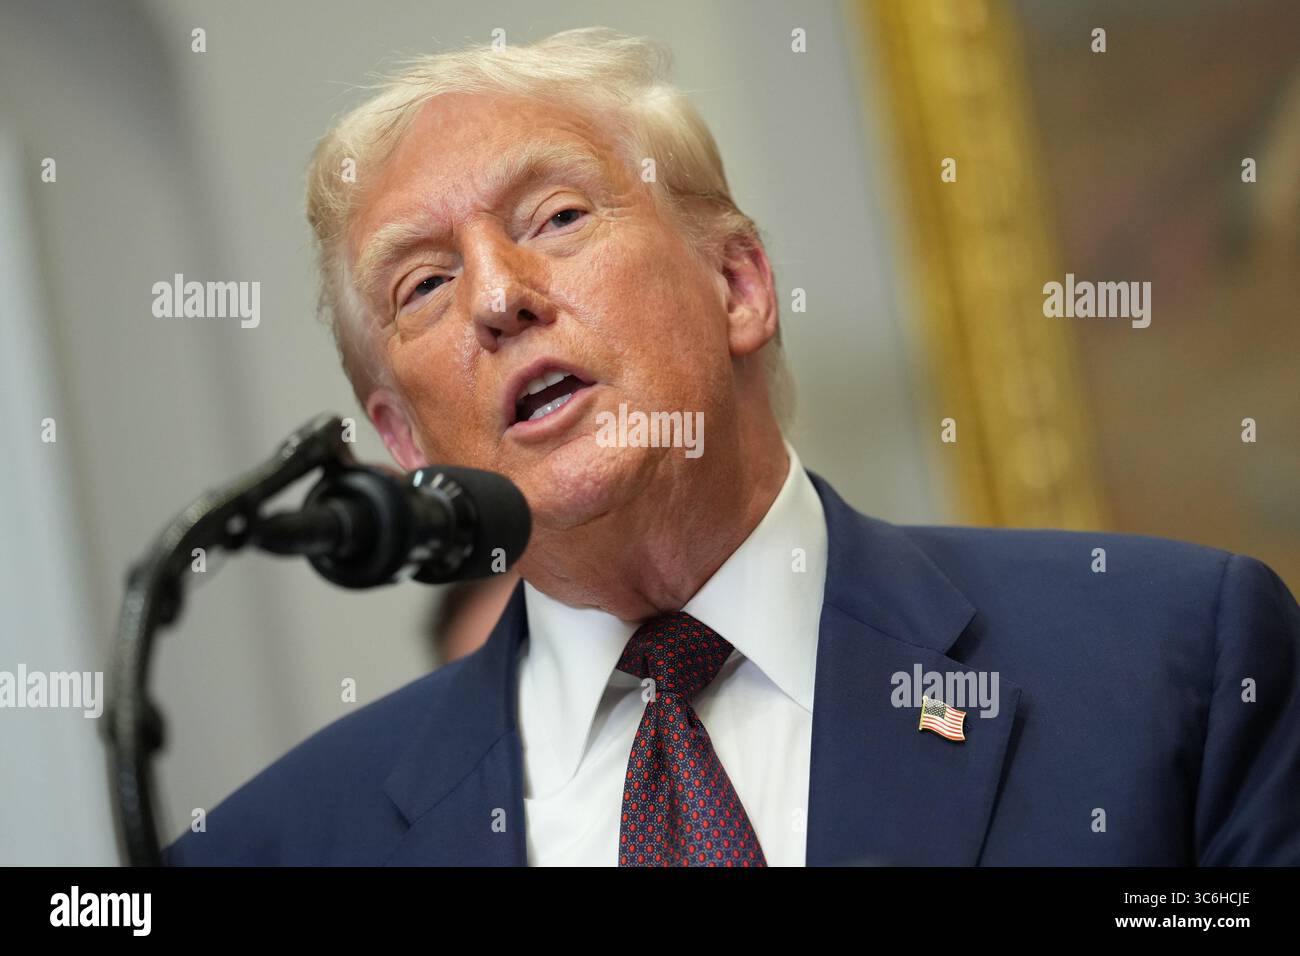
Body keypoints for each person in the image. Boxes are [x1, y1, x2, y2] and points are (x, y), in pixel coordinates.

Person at [167, 28, 1300, 866]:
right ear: (404, 440)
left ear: (737, 283)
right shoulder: (276, 847)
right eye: (423, 282)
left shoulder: (1170, 670)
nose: (498, 297)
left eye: (556, 217)